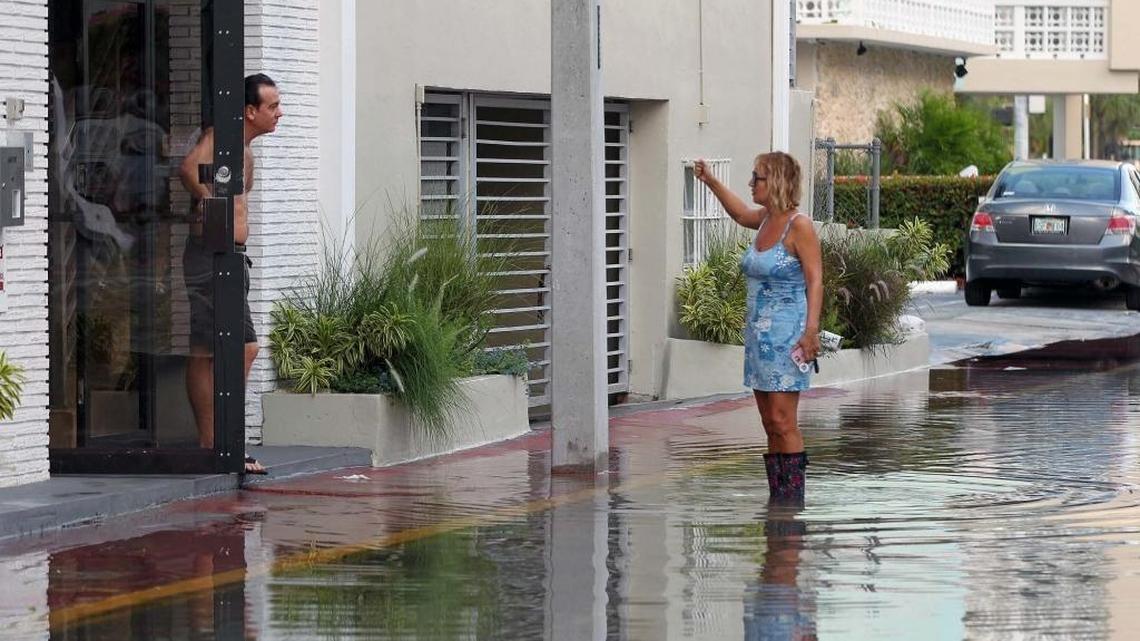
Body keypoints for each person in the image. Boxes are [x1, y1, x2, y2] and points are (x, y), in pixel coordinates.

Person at [694, 152, 823, 504]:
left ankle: (793, 499)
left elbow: (815, 279)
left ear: (778, 181)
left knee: (784, 421)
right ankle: (778, 498)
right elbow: (738, 213)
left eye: (757, 178)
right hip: (758, 340)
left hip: (787, 339)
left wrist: (811, 331)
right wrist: (711, 181)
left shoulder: (800, 226)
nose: (752, 184)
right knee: (769, 423)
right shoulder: (766, 219)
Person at [179, 73, 282, 475]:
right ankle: (217, 442)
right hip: (210, 257)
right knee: (224, 349)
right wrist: (208, 203)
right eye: (272, 106)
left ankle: (221, 441)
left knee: (221, 349)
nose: (279, 113)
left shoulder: (245, 151)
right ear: (249, 111)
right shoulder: (220, 136)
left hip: (231, 256)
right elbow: (188, 168)